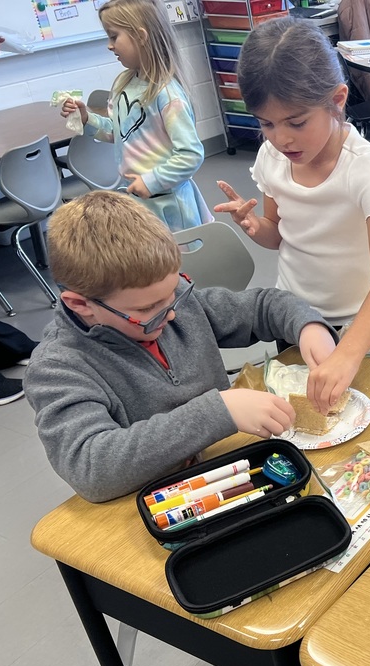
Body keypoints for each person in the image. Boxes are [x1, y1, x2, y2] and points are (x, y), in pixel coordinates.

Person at [23, 192, 338, 503]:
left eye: (174, 292)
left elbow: (263, 306)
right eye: (148, 309)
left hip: (228, 467)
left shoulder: (171, 304)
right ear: (81, 305)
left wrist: (309, 327)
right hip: (162, 502)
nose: (172, 314)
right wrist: (219, 412)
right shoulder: (58, 368)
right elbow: (92, 468)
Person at [215, 17, 370, 412]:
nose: (281, 138)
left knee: (363, 416)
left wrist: (349, 352)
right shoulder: (272, 157)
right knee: (308, 420)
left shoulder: (363, 168)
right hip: (295, 320)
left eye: (297, 122)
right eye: (266, 124)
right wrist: (254, 226)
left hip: (359, 325)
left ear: (337, 100)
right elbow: (278, 234)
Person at [58, 0, 212, 232]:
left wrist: (151, 181)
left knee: (177, 256)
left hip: (170, 204)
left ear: (141, 36)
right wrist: (87, 119)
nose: (109, 46)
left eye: (114, 37)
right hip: (140, 201)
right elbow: (117, 132)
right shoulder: (124, 82)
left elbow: (191, 155)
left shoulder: (167, 95)